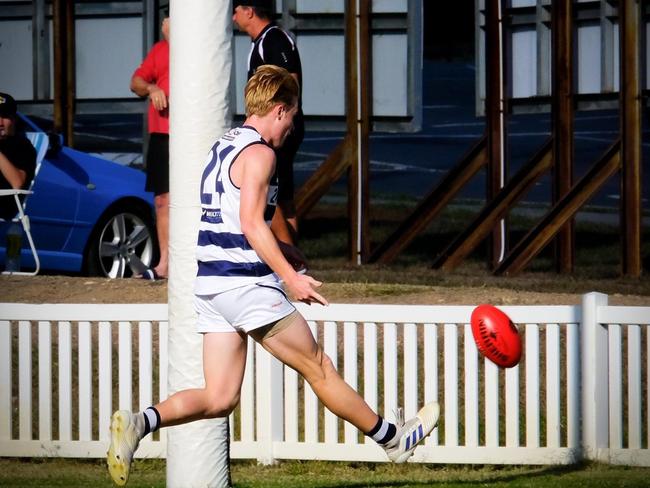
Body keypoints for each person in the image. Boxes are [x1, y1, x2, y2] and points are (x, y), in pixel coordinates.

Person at [106, 66, 440, 486]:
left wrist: (283, 250)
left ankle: (139, 423)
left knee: (219, 397)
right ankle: (394, 439)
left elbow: (230, 220)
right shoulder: (261, 154)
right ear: (280, 110)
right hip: (245, 287)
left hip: (211, 288)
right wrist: (290, 277)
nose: (292, 126)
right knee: (319, 367)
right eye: (294, 115)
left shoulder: (224, 145)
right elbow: (250, 223)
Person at [233, 0, 303, 246]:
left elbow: (289, 82)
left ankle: (288, 255)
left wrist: (279, 116)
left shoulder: (274, 40)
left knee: (276, 194)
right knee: (281, 195)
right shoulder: (260, 43)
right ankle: (286, 253)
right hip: (267, 125)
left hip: (278, 127)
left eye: (236, 11)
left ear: (249, 11)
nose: (233, 18)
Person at [130, 11, 170, 280]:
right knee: (162, 200)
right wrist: (152, 89)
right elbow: (136, 82)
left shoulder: (199, 48)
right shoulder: (160, 50)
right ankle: (165, 262)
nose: (165, 23)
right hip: (161, 135)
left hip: (189, 135)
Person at [0, 92, 36, 220]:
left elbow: (17, 182)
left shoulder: (22, 146)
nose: (0, 122)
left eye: (4, 116)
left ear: (14, 120)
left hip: (4, 206)